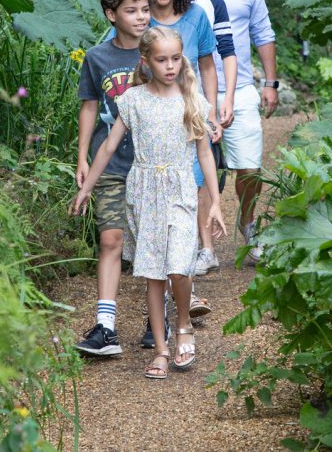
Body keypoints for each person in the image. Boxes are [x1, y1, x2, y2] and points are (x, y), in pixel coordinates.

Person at [70, 26, 227, 378]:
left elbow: (205, 152)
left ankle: (183, 322)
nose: (170, 66)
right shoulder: (134, 101)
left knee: (178, 266)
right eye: (162, 60)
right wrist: (86, 189)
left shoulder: (192, 100)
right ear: (146, 61)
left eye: (175, 58)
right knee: (154, 274)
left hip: (181, 190)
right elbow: (109, 147)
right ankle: (160, 349)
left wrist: (215, 202)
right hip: (143, 192)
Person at [111, 0, 221, 334]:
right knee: (153, 229)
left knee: (182, 211)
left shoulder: (196, 17)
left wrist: (211, 110)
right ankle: (157, 319)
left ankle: (182, 300)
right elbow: (115, 63)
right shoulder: (132, 18)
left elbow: (207, 63)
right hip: (146, 129)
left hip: (185, 120)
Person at [72, 0, 152, 356]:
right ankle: (105, 327)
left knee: (155, 243)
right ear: (111, 15)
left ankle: (159, 321)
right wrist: (82, 157)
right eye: (131, 11)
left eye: (145, 9)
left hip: (153, 164)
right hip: (111, 162)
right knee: (110, 240)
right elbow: (89, 106)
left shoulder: (159, 51)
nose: (141, 17)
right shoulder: (97, 58)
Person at [194, 0, 279, 264]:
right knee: (197, 170)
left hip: (239, 85)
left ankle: (248, 223)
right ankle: (204, 247)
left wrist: (270, 82)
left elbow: (263, 32)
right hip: (192, 87)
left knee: (248, 167)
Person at [165, 0, 238, 274]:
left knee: (200, 169)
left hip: (192, 103)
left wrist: (213, 106)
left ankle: (205, 247)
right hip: (157, 102)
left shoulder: (208, 2)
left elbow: (215, 57)